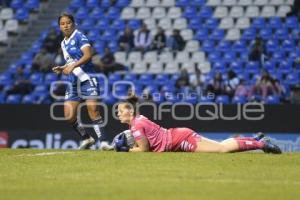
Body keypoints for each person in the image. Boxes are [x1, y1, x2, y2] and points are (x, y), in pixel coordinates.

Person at [116, 96, 282, 153]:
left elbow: (144, 149)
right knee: (221, 146)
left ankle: (261, 144)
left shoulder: (136, 125)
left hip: (180, 139)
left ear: (130, 112)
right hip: (177, 137)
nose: (118, 113)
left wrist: (128, 150)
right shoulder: (137, 120)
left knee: (222, 149)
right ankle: (253, 139)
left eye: (120, 110)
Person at [52, 13, 111, 150]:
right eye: (62, 24)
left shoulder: (79, 36)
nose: (65, 25)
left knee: (93, 110)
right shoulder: (63, 43)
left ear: (73, 23)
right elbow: (71, 62)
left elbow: (88, 56)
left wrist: (72, 66)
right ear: (60, 27)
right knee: (69, 116)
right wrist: (64, 68)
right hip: (73, 81)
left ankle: (103, 141)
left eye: (68, 22)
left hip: (87, 78)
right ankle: (87, 138)